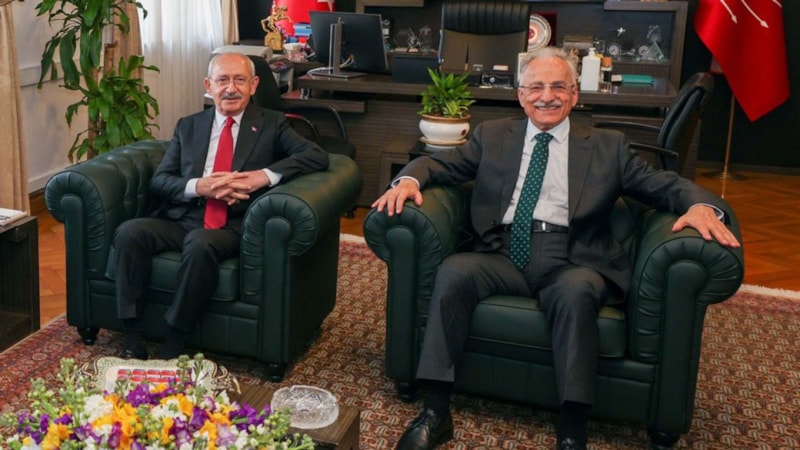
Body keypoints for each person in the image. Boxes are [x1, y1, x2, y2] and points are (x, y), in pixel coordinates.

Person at [372, 47, 740, 450]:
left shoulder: (608, 146)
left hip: (573, 257)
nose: (546, 96)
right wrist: (407, 181)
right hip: (501, 252)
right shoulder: (492, 136)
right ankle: (436, 412)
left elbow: (664, 186)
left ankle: (572, 428)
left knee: (576, 292)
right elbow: (441, 165)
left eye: (558, 87)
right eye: (536, 87)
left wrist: (703, 206)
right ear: (521, 95)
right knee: (454, 272)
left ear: (574, 95)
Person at [114, 52, 329, 360]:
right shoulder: (188, 126)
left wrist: (262, 176)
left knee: (200, 243)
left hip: (233, 222)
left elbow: (316, 156)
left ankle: (175, 339)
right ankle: (131, 335)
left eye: (240, 80)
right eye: (223, 80)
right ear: (208, 85)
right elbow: (160, 180)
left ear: (254, 85)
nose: (231, 88)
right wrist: (198, 186)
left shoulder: (272, 124)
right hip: (184, 216)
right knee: (129, 232)